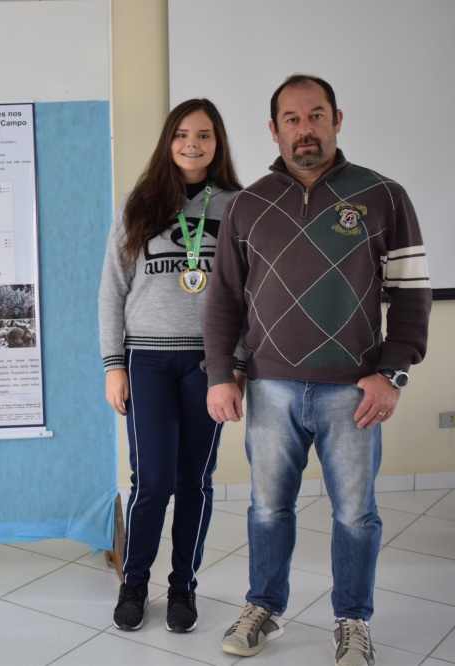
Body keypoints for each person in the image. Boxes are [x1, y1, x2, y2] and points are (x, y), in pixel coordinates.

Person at [203, 74, 431, 666]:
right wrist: (219, 373)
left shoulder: (383, 196)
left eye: (316, 115)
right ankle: (264, 607)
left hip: (352, 392)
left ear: (337, 119)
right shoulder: (248, 205)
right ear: (273, 129)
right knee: (267, 508)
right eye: (292, 119)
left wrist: (393, 372)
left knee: (355, 514)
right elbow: (224, 299)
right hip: (270, 387)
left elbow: (412, 295)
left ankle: (353, 620)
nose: (305, 129)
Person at [99, 99, 244, 634]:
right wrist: (114, 365)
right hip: (148, 362)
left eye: (203, 135)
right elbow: (111, 290)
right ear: (168, 141)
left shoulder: (238, 206)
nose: (192, 144)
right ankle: (135, 584)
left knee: (194, 480)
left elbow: (250, 293)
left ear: (217, 142)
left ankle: (183, 587)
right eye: (182, 134)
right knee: (152, 481)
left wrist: (236, 365)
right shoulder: (139, 204)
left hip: (209, 363)